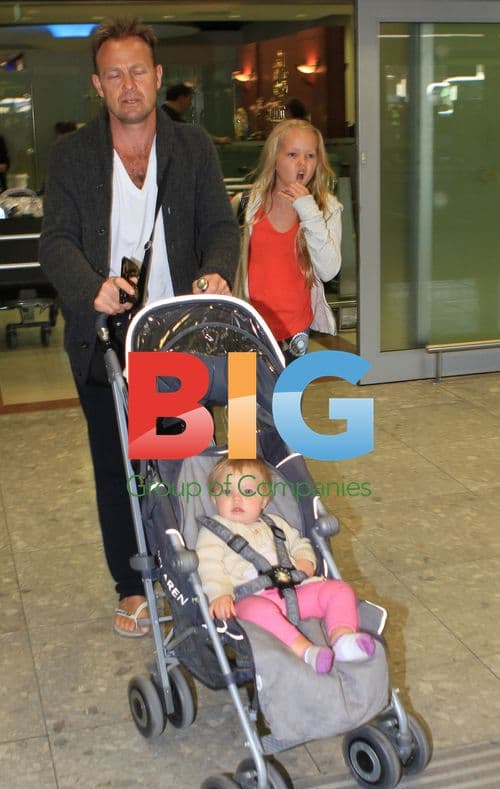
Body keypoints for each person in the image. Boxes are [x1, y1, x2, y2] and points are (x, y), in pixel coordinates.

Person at [39, 17, 239, 637]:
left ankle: (198, 567)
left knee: (182, 457)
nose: (128, 85)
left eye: (138, 71)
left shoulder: (192, 147)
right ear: (97, 85)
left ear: (157, 78)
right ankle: (133, 585)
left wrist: (214, 272)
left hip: (174, 332)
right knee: (116, 463)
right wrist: (88, 288)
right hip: (105, 336)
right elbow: (56, 242)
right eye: (114, 74)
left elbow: (220, 227)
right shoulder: (73, 157)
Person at [196, 458, 376, 674]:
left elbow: (300, 544)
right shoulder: (213, 532)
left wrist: (305, 561)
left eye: (247, 491)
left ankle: (343, 639)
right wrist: (220, 594)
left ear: (264, 501)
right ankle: (306, 651)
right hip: (251, 598)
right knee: (255, 611)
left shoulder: (276, 524)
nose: (236, 498)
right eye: (227, 491)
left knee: (339, 590)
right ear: (215, 499)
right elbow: (208, 565)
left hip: (295, 591)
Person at [233, 119, 342, 362]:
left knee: (287, 400)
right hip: (245, 329)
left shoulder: (326, 209)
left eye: (310, 155)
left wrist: (308, 210)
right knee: (243, 400)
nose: (302, 163)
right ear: (275, 158)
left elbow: (328, 271)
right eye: (292, 154)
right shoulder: (246, 205)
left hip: (295, 333)